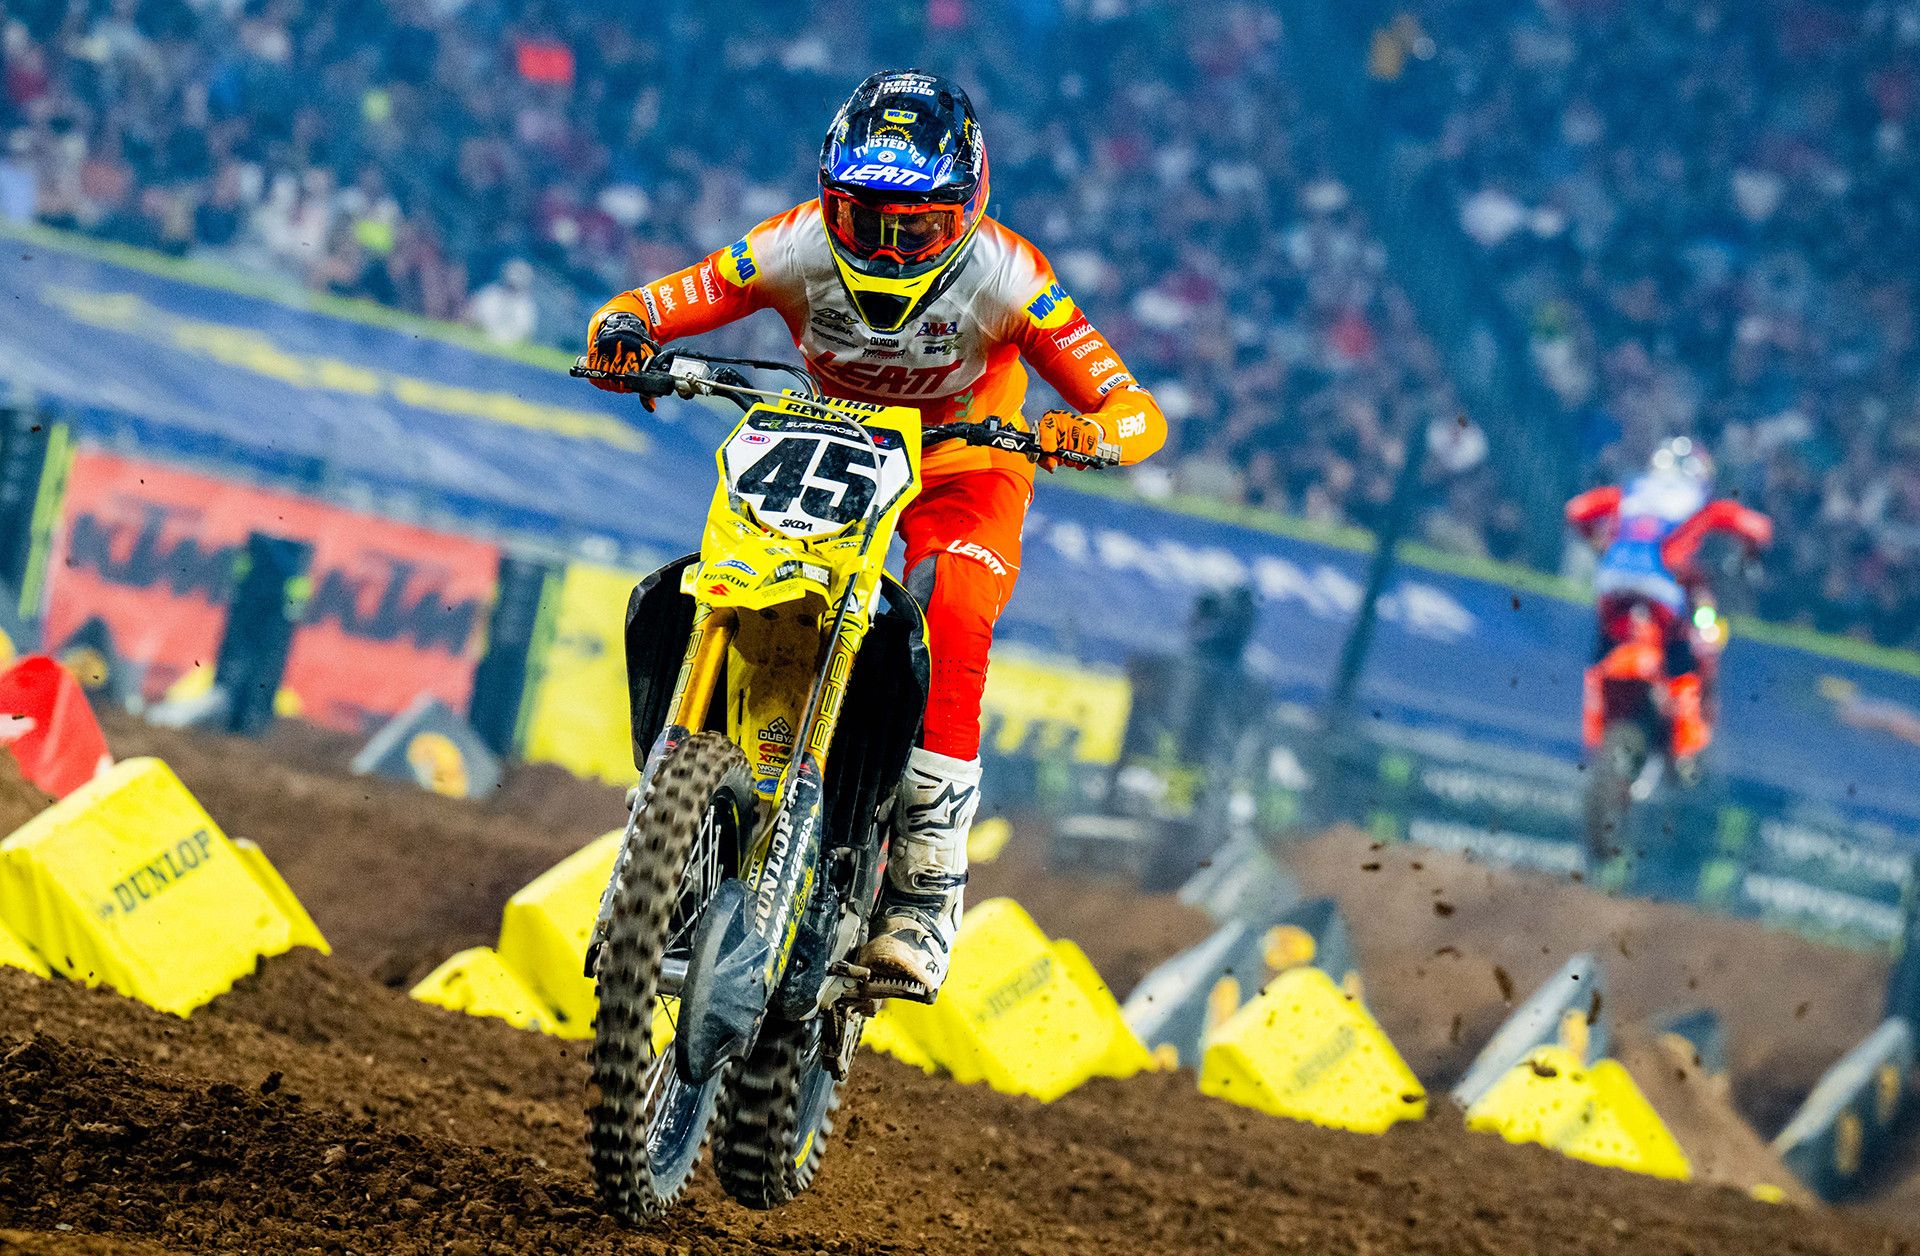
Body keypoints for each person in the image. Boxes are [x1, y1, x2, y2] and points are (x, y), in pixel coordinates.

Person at [581, 70, 1166, 996]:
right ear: (830, 201)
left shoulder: (1010, 275)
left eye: (916, 227)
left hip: (964, 462)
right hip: (830, 444)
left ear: (965, 210)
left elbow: (1136, 409)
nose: (889, 248)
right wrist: (621, 332)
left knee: (955, 609)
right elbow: (653, 303)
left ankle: (922, 893)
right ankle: (667, 812)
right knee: (715, 579)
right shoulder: (792, 245)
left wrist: (1091, 433)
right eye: (865, 220)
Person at [1565, 437, 1772, 773]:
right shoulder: (1699, 502)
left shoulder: (1631, 492)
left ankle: (1596, 730)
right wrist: (1749, 555)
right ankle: (1688, 740)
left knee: (1603, 650)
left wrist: (1600, 544)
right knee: (1694, 648)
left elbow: (1576, 510)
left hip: (1612, 583)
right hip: (1665, 589)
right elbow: (1757, 528)